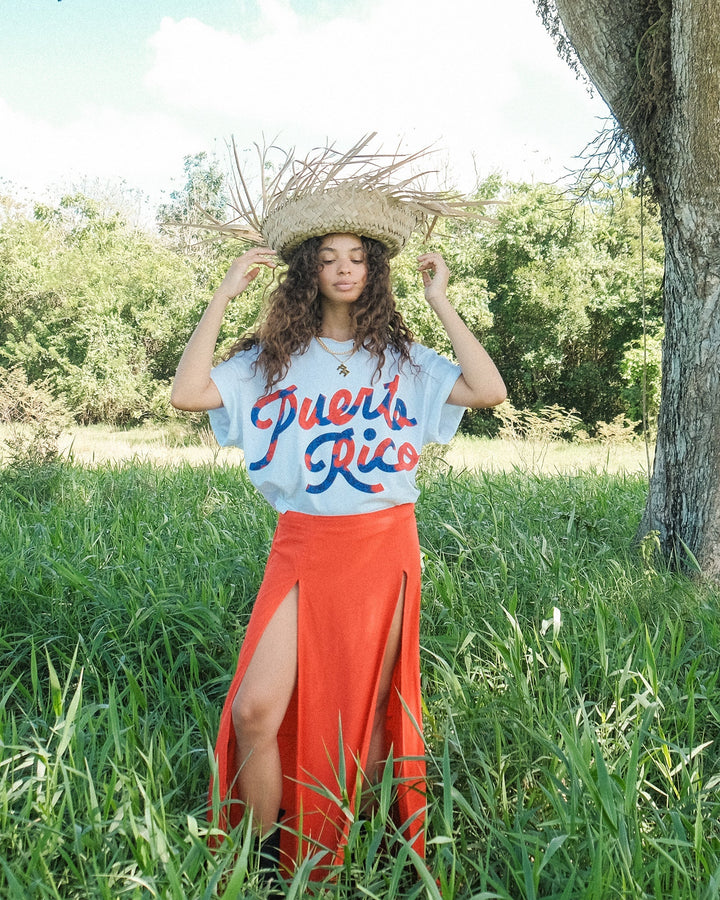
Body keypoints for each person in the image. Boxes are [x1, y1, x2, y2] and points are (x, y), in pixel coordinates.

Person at [170, 138, 507, 880]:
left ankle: (361, 854)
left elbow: (488, 391)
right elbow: (188, 393)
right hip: (303, 546)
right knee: (257, 709)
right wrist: (222, 297)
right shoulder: (272, 361)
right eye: (329, 256)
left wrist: (441, 300)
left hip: (384, 546)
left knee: (371, 715)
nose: (345, 266)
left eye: (357, 254)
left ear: (374, 268)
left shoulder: (405, 361)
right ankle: (260, 865)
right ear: (308, 271)